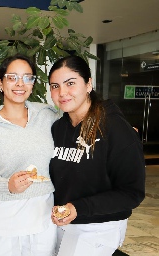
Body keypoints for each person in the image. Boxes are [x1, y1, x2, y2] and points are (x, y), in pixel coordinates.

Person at [48, 55, 145, 256]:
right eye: (55, 86)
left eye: (70, 83)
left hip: (99, 226)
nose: (62, 92)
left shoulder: (115, 129)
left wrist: (79, 208)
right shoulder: (58, 128)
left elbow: (131, 193)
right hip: (62, 224)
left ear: (88, 84)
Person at [0, 54, 59, 255]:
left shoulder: (48, 116)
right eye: (12, 77)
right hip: (1, 219)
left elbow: (79, 121)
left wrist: (115, 129)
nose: (20, 84)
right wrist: (6, 185)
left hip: (42, 214)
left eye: (28, 77)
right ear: (1, 83)